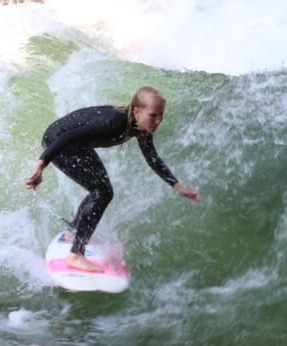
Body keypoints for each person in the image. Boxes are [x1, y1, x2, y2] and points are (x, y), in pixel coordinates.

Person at [26, 87, 200, 273]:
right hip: (60, 141)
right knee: (102, 192)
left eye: (161, 115)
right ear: (137, 111)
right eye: (153, 115)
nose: (158, 121)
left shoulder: (138, 126)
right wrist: (41, 164)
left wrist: (177, 185)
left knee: (100, 189)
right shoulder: (113, 123)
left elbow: (151, 157)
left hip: (77, 144)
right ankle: (76, 254)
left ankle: (75, 231)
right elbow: (69, 136)